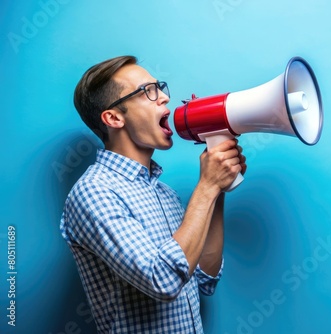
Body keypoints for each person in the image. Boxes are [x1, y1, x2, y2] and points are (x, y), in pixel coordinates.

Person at [60, 55, 246, 333]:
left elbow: (204, 278)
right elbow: (164, 280)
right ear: (113, 117)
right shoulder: (94, 193)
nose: (163, 99)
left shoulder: (165, 194)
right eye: (148, 92)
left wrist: (219, 187)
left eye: (159, 87)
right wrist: (207, 185)